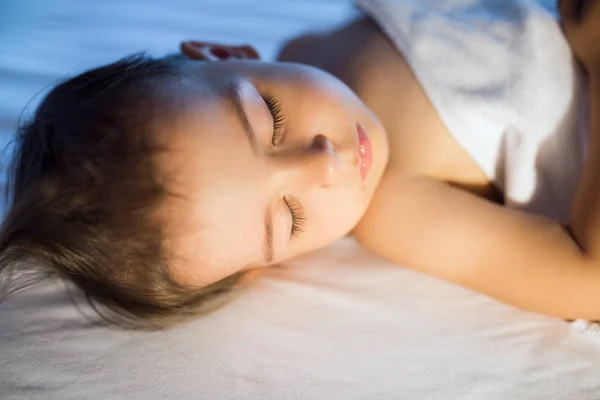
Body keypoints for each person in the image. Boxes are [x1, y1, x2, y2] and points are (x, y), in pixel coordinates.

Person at [0, 0, 598, 329]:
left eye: (270, 118)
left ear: (224, 52)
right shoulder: (397, 211)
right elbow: (587, 280)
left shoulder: (328, 39)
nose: (322, 163)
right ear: (271, 267)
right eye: (288, 219)